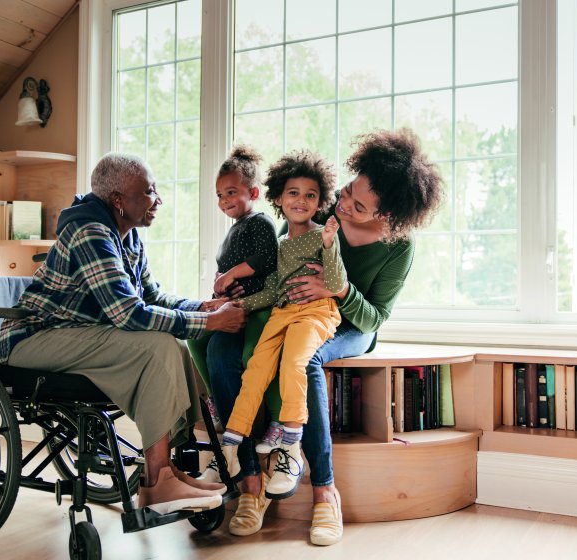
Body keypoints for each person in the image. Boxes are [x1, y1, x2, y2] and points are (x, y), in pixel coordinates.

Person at [209, 129, 443, 545]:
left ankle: (324, 493)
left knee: (308, 359)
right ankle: (250, 484)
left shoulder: (397, 248)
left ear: (385, 216)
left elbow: (374, 318)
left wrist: (338, 289)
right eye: (347, 191)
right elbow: (278, 263)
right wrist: (235, 292)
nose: (344, 204)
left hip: (348, 327)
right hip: (291, 311)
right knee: (223, 351)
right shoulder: (321, 210)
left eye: (359, 205)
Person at [0, 152, 247, 515]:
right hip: (33, 340)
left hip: (78, 334)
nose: (157, 199)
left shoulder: (126, 237)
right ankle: (158, 479)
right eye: (148, 192)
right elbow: (126, 312)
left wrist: (202, 307)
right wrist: (211, 323)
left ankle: (168, 471)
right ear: (118, 200)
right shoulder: (89, 232)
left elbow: (153, 296)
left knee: (173, 345)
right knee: (156, 347)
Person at [212, 149, 345, 508]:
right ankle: (232, 443)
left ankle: (291, 443)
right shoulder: (282, 242)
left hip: (316, 313)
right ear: (277, 198)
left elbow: (334, 283)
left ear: (320, 202)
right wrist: (236, 304)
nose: (301, 201)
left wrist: (331, 244)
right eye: (293, 193)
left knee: (294, 363)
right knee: (256, 367)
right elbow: (273, 289)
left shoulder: (323, 236)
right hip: (283, 312)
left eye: (310, 195)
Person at [186, 145, 278, 432]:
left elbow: (266, 257)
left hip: (253, 310)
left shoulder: (259, 223)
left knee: (220, 351)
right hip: (230, 306)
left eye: (230, 192)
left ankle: (236, 427)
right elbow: (225, 273)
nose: (224, 200)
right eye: (219, 195)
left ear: (252, 193)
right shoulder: (234, 228)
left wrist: (230, 276)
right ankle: (216, 401)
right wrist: (219, 289)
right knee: (194, 337)